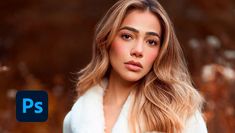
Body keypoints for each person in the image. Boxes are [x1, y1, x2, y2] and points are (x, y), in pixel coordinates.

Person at [63, 0, 208, 133]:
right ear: (107, 40)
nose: (138, 50)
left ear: (161, 51)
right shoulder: (75, 119)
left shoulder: (181, 115)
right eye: (127, 36)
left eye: (151, 42)